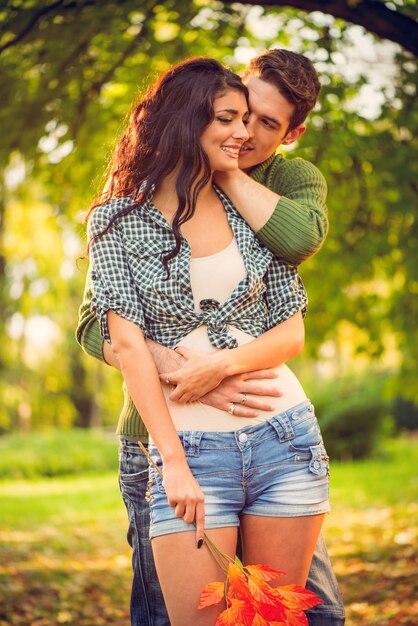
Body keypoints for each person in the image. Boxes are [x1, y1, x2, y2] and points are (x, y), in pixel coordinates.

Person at [77, 51, 345, 625]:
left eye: (261, 124)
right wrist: (186, 375)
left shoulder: (272, 192)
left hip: (279, 436)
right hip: (177, 442)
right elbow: (101, 329)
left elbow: (292, 293)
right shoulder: (121, 215)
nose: (245, 132)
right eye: (232, 114)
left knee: (296, 615)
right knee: (169, 614)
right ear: (194, 114)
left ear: (291, 134)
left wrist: (218, 367)